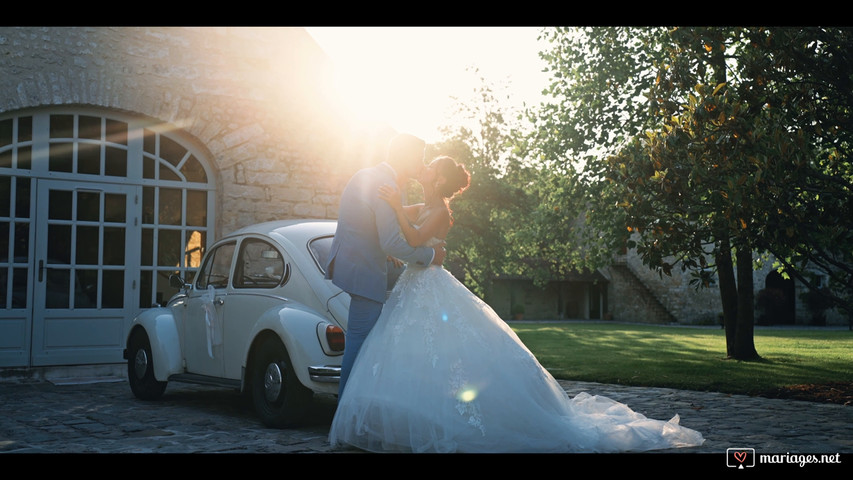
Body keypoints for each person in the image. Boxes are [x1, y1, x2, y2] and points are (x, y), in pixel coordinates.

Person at [328, 155, 705, 453]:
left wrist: (395, 206)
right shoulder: (424, 204)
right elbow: (398, 236)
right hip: (416, 283)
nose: (422, 169)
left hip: (428, 285)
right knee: (411, 353)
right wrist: (401, 216)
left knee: (446, 352)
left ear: (439, 180)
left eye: (429, 167)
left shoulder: (440, 210)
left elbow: (410, 237)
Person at [325, 133, 447, 395]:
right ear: (407, 158)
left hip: (357, 262)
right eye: (420, 158)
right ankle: (346, 415)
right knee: (359, 341)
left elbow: (375, 226)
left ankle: (353, 410)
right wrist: (430, 257)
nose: (421, 164)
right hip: (363, 270)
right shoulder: (385, 183)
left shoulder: (377, 176)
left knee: (361, 339)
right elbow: (391, 242)